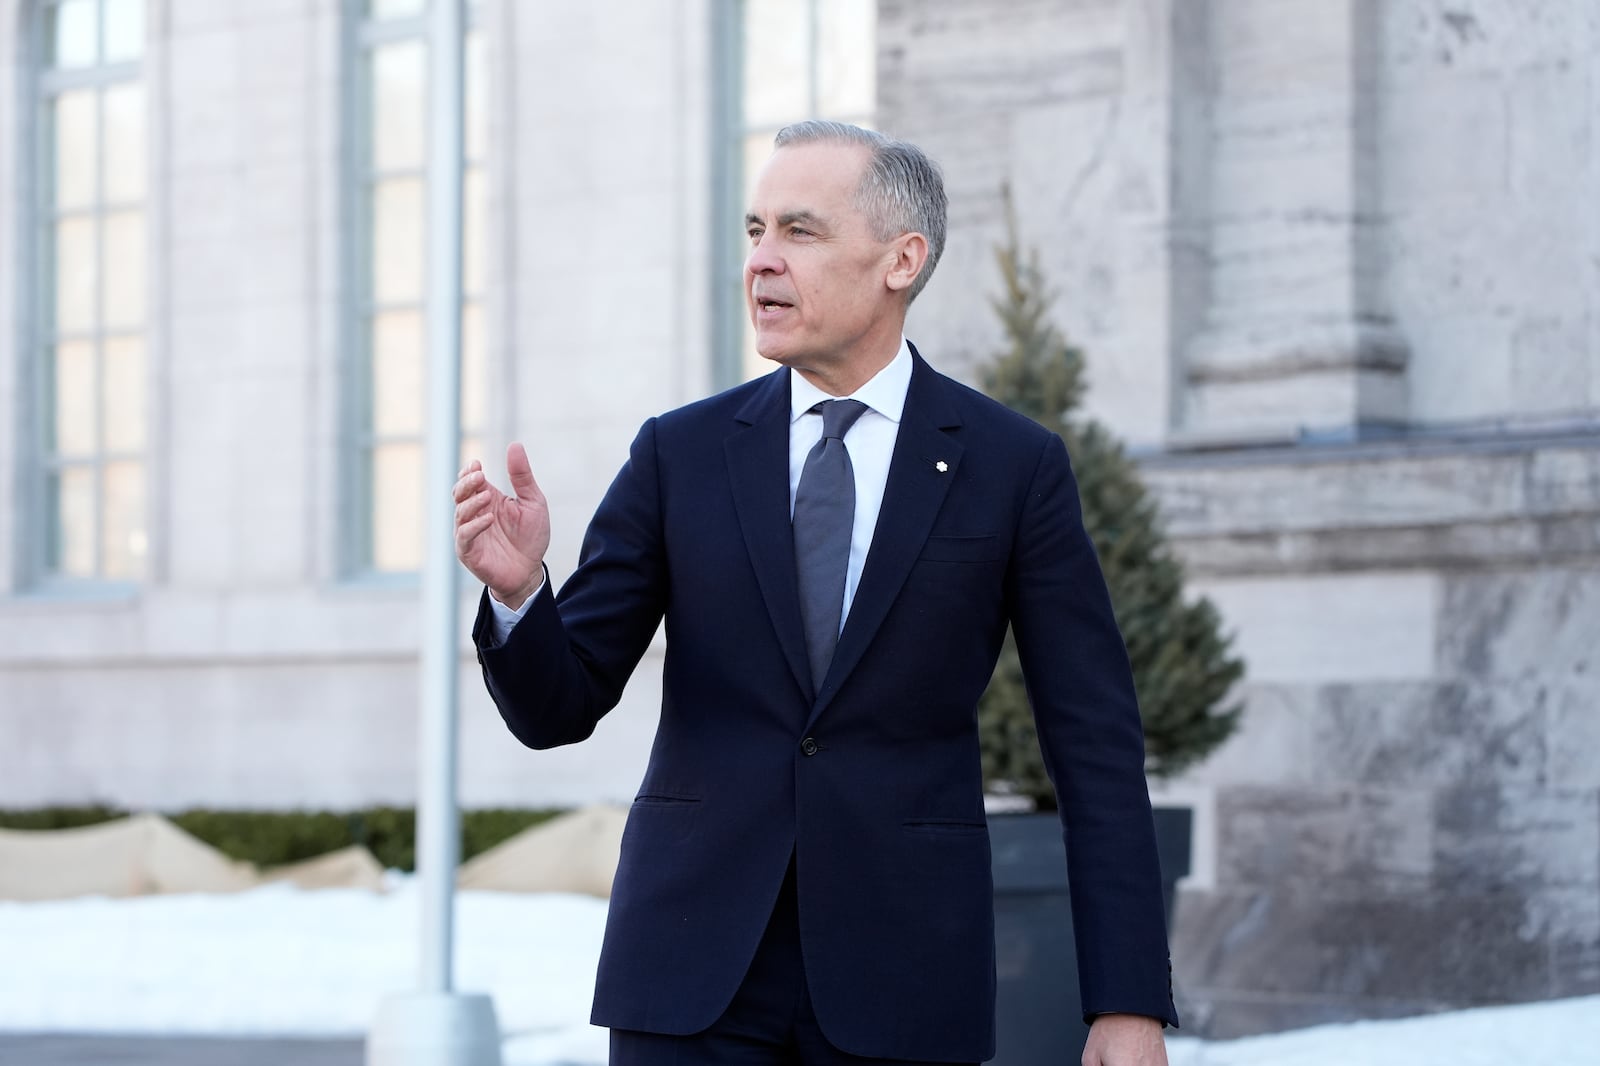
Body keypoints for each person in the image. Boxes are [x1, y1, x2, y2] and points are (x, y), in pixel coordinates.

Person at [453, 120, 1176, 1066]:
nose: (762, 261)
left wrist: (1127, 1001)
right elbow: (561, 705)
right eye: (754, 230)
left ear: (901, 261)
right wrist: (522, 597)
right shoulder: (680, 453)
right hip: (690, 978)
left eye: (800, 231)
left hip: (905, 979)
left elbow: (1095, 743)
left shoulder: (1014, 467)